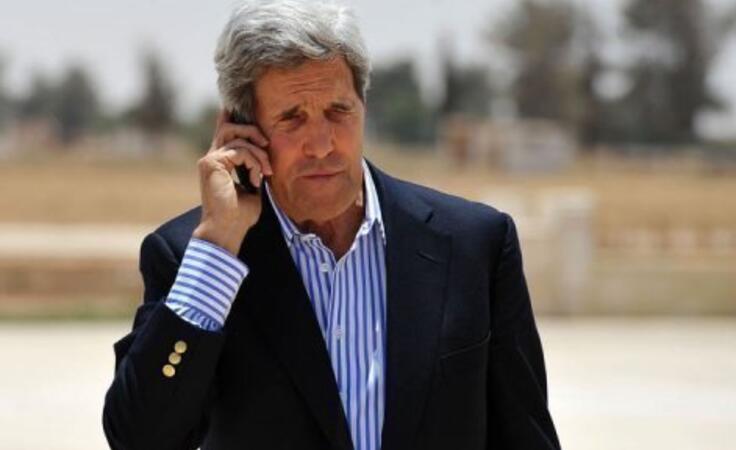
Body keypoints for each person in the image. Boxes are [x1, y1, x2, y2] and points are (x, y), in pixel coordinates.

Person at [102, 1, 560, 449]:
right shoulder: (193, 258)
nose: (321, 144)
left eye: (338, 111)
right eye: (292, 118)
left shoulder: (472, 245)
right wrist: (219, 246)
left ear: (364, 105)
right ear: (242, 130)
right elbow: (139, 438)